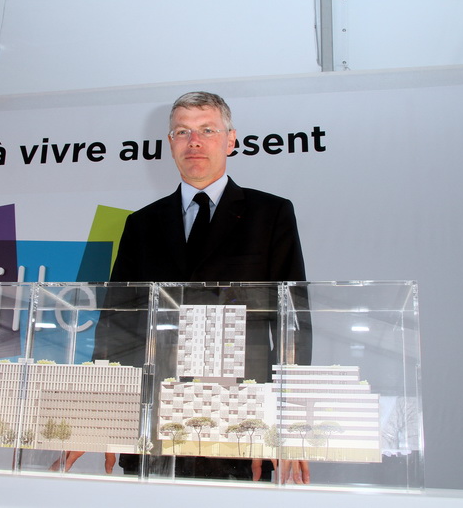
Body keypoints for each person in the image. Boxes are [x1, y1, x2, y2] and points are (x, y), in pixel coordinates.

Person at [57, 91, 311, 483]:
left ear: (230, 140)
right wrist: (102, 411)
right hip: (151, 421)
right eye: (182, 132)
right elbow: (116, 322)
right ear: (170, 144)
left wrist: (288, 422)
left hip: (239, 421)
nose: (194, 141)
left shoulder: (271, 214)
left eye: (207, 130)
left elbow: (293, 319)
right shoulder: (141, 225)